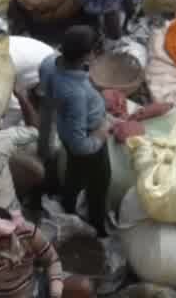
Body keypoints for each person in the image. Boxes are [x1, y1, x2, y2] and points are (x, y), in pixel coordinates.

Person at [37, 25, 112, 235]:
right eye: (95, 50)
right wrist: (101, 132)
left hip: (65, 129)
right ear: (87, 55)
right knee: (99, 183)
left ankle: (67, 205)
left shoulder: (49, 63)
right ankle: (98, 225)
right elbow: (80, 146)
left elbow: (47, 100)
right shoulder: (75, 94)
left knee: (74, 173)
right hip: (89, 142)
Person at [0, 205, 66, 298]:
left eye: (8, 235)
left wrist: (56, 292)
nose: (6, 242)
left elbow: (52, 259)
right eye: (0, 238)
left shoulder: (27, 233)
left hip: (34, 292)